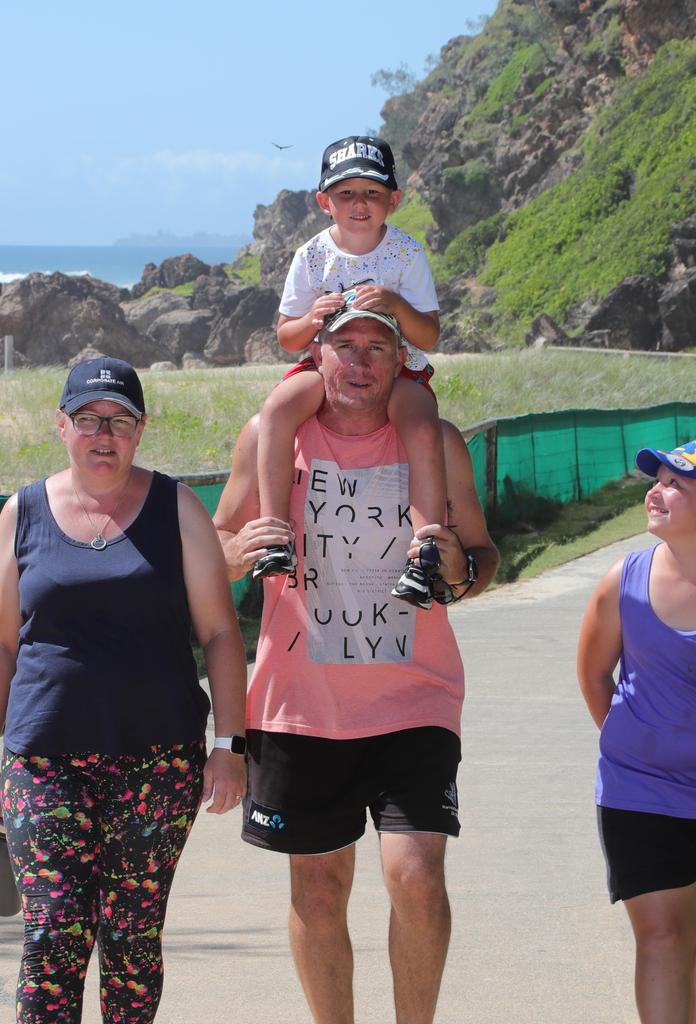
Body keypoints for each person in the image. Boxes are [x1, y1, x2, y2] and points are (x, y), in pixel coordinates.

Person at [214, 307, 498, 1024]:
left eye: (378, 347)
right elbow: (214, 547)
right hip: (298, 704)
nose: (361, 362)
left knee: (418, 879)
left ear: (400, 359)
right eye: (345, 346)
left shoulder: (435, 443)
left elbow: (483, 555)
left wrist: (462, 568)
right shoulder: (268, 437)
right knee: (316, 890)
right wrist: (240, 548)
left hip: (416, 698)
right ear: (317, 354)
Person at [0, 356, 247, 1024]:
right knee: (53, 933)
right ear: (61, 425)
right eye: (88, 419)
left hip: (157, 762)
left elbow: (221, 634)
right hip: (43, 760)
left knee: (131, 941)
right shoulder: (21, 513)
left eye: (119, 420)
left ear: (140, 430)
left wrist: (230, 744)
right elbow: (2, 644)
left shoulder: (178, 509)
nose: (102, 433)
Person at [577, 436, 696, 1024]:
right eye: (656, 480)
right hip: (640, 791)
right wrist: (634, 746)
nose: (654, 492)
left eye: (673, 484)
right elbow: (592, 675)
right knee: (663, 933)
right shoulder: (621, 580)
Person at [254, 134, 445, 610]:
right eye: (346, 193)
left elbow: (428, 336)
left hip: (395, 366)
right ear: (324, 202)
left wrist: (396, 303)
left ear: (393, 200)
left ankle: (425, 552)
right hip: (323, 364)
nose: (360, 204)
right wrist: (312, 318)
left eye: (373, 193)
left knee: (423, 422)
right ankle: (276, 534)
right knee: (276, 409)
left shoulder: (407, 254)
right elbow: (286, 337)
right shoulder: (311, 255)